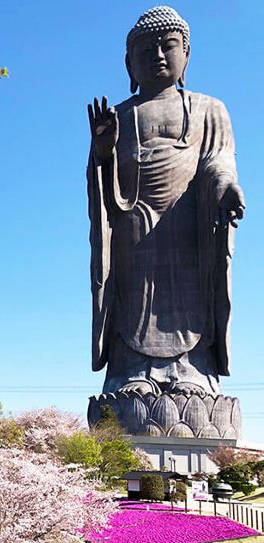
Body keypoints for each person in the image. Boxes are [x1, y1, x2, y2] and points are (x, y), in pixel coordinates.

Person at [87, 6, 245, 396]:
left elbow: (218, 161)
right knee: (133, 298)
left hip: (188, 223)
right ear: (129, 64)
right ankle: (129, 371)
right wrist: (103, 151)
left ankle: (194, 370)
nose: (157, 55)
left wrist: (226, 186)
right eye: (145, 50)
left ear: (186, 55)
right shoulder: (118, 116)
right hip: (133, 227)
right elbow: (101, 185)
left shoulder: (209, 109)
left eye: (168, 46)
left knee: (191, 292)